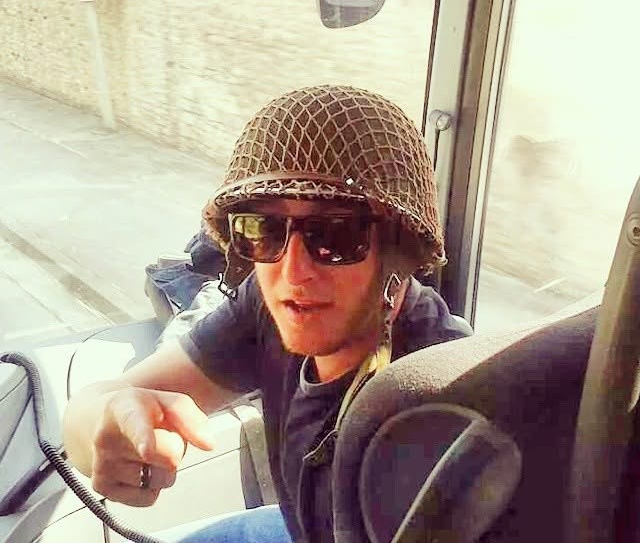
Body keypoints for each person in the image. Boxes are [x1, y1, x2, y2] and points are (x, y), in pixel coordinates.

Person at [62, 85, 472, 543]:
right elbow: (96, 409)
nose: (293, 272)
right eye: (263, 230)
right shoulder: (266, 302)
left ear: (399, 252)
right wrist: (102, 428)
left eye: (335, 235)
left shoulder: (442, 402)